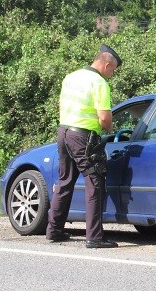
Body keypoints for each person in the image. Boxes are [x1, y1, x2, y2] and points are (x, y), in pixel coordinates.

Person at [46, 44, 122, 248]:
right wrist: (109, 127)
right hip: (83, 137)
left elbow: (62, 106)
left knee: (64, 181)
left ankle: (54, 230)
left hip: (63, 132)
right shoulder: (99, 82)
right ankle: (94, 237)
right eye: (112, 70)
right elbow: (104, 117)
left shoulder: (71, 77)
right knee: (95, 182)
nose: (111, 75)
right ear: (106, 65)